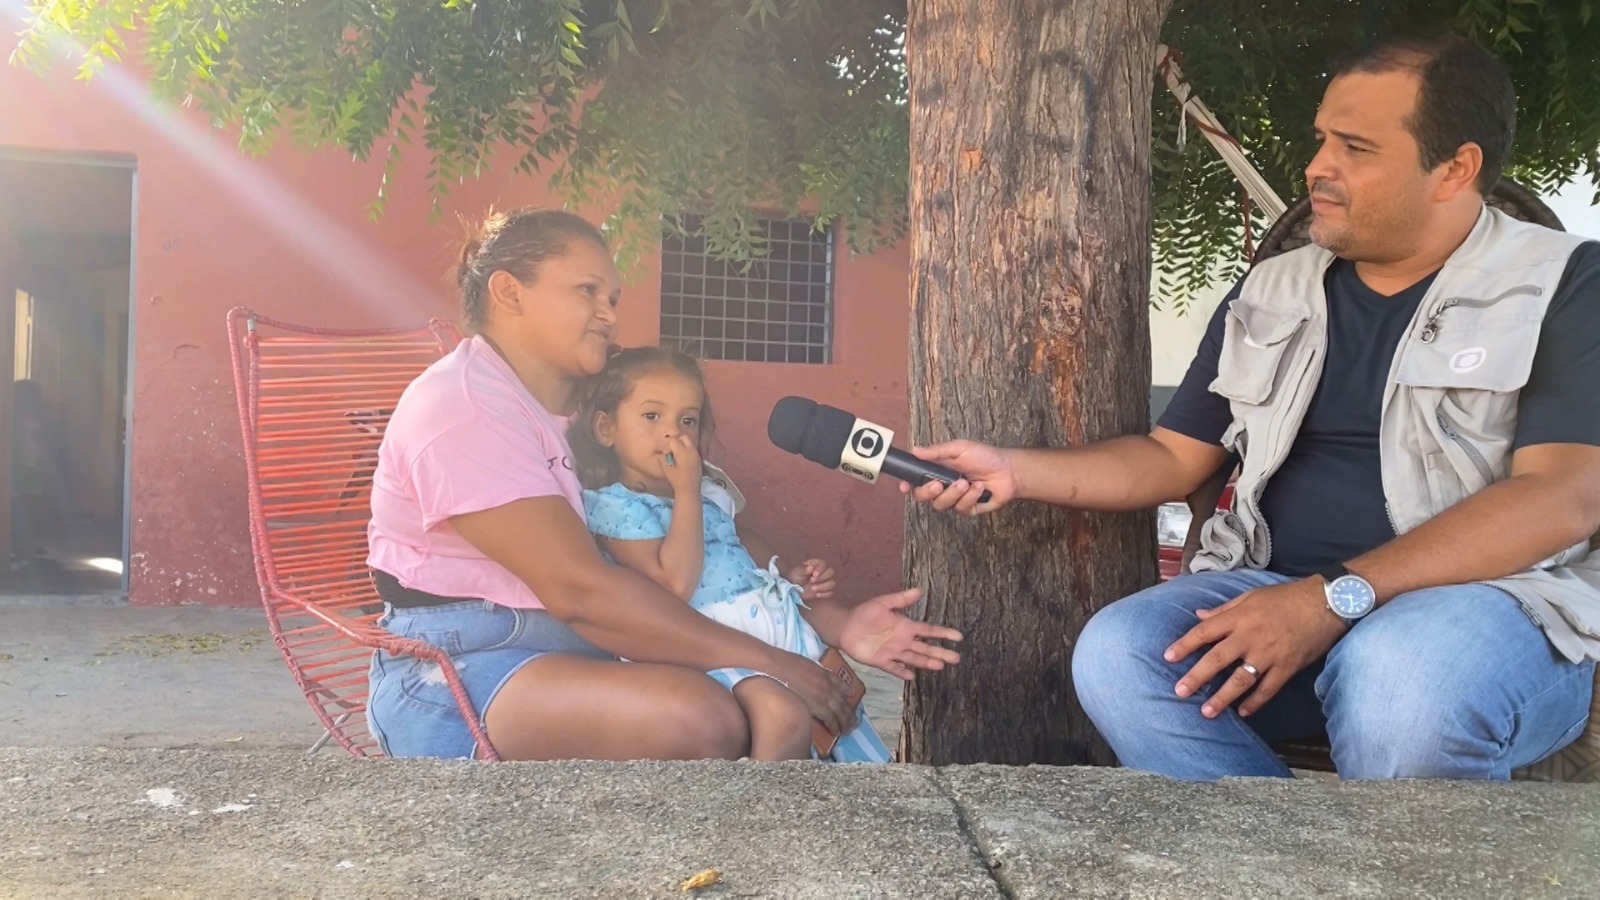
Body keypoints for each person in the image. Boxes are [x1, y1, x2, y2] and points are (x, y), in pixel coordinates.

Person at [904, 32, 1600, 781]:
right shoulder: (1273, 290)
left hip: (1485, 611)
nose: (1317, 167)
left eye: (1355, 148)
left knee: (1400, 681)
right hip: (1274, 595)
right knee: (1122, 651)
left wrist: (1331, 599)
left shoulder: (1563, 284)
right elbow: (1174, 458)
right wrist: (1012, 469)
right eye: (1322, 139)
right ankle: (1282, 864)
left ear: (1454, 170)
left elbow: (1561, 498)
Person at [366, 207, 961, 761]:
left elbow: (721, 539)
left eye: (613, 298)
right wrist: (772, 659)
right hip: (462, 664)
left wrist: (832, 622)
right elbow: (584, 593)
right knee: (702, 719)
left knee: (749, 708)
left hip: (583, 644)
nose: (609, 313)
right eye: (587, 291)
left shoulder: (593, 408)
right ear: (508, 292)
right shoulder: (464, 407)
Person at [568, 346, 948, 762]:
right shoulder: (617, 507)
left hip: (778, 636)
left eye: (688, 420)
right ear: (606, 429)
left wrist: (787, 572)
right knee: (783, 717)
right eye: (652, 416)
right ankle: (760, 824)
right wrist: (685, 494)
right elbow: (674, 584)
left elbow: (741, 543)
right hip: (705, 651)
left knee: (839, 722)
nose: (672, 433)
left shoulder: (711, 493)